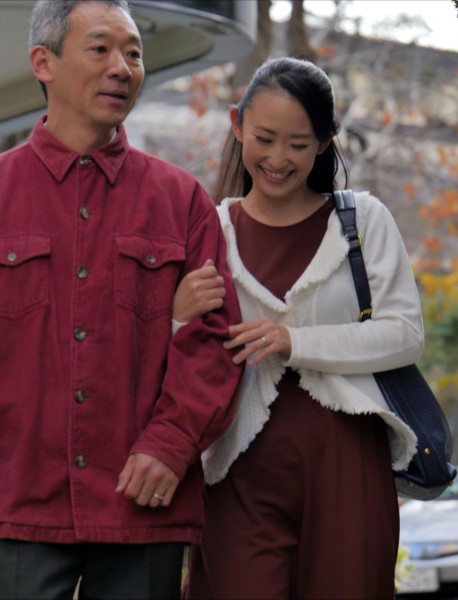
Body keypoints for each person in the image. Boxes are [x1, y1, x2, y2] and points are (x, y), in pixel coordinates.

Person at [0, 1, 243, 598]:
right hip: (21, 501)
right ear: (44, 63)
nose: (122, 68)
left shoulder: (182, 202)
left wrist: (170, 447)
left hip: (145, 503)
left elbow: (213, 345)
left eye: (134, 54)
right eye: (101, 49)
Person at [174, 57, 424, 599]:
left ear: (326, 142)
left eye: (298, 144)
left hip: (348, 466)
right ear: (237, 125)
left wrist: (294, 341)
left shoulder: (363, 220)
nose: (278, 159)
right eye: (264, 138)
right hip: (238, 472)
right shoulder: (211, 229)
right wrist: (176, 313)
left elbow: (405, 333)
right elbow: (181, 355)